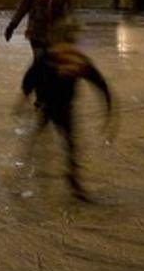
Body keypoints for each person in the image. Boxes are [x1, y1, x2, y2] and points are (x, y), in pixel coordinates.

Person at [21, 38, 113, 199]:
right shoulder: (55, 59)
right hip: (52, 106)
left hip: (58, 107)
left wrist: (109, 109)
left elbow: (99, 82)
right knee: (63, 141)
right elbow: (31, 77)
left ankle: (71, 177)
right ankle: (70, 177)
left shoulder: (68, 59)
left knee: (65, 142)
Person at [4, 0, 76, 111]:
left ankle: (54, 96)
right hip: (37, 30)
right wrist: (12, 25)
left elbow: (69, 9)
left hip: (56, 32)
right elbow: (24, 5)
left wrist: (69, 29)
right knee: (39, 63)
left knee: (54, 65)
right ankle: (41, 97)